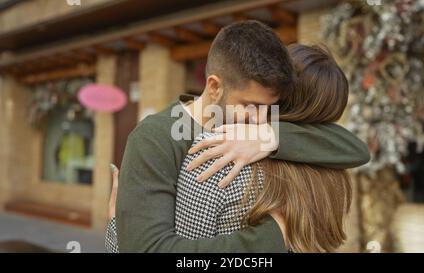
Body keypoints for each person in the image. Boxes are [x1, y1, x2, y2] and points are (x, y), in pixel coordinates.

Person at [113, 20, 369, 253]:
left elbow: (358, 149)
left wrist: (271, 136)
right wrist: (273, 236)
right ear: (214, 86)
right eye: (252, 105)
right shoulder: (156, 139)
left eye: (268, 108)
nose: (259, 118)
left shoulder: (241, 150)